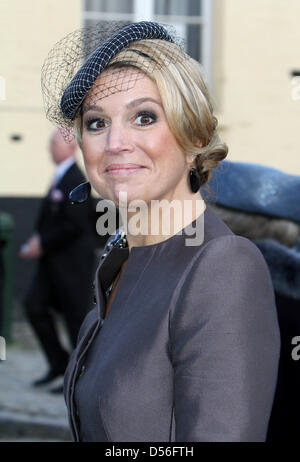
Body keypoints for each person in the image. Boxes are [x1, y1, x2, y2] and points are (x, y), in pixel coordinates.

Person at [41, 21, 280, 440]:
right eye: (96, 123)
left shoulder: (222, 266)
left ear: (193, 136)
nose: (115, 142)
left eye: (144, 117)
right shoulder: (120, 262)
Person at [20, 130, 96, 392]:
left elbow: (74, 224)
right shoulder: (59, 177)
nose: (48, 147)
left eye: (52, 142)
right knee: (34, 306)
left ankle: (78, 379)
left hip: (72, 265)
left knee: (76, 321)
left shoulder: (77, 180)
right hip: (51, 263)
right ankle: (58, 363)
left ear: (69, 145)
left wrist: (42, 242)